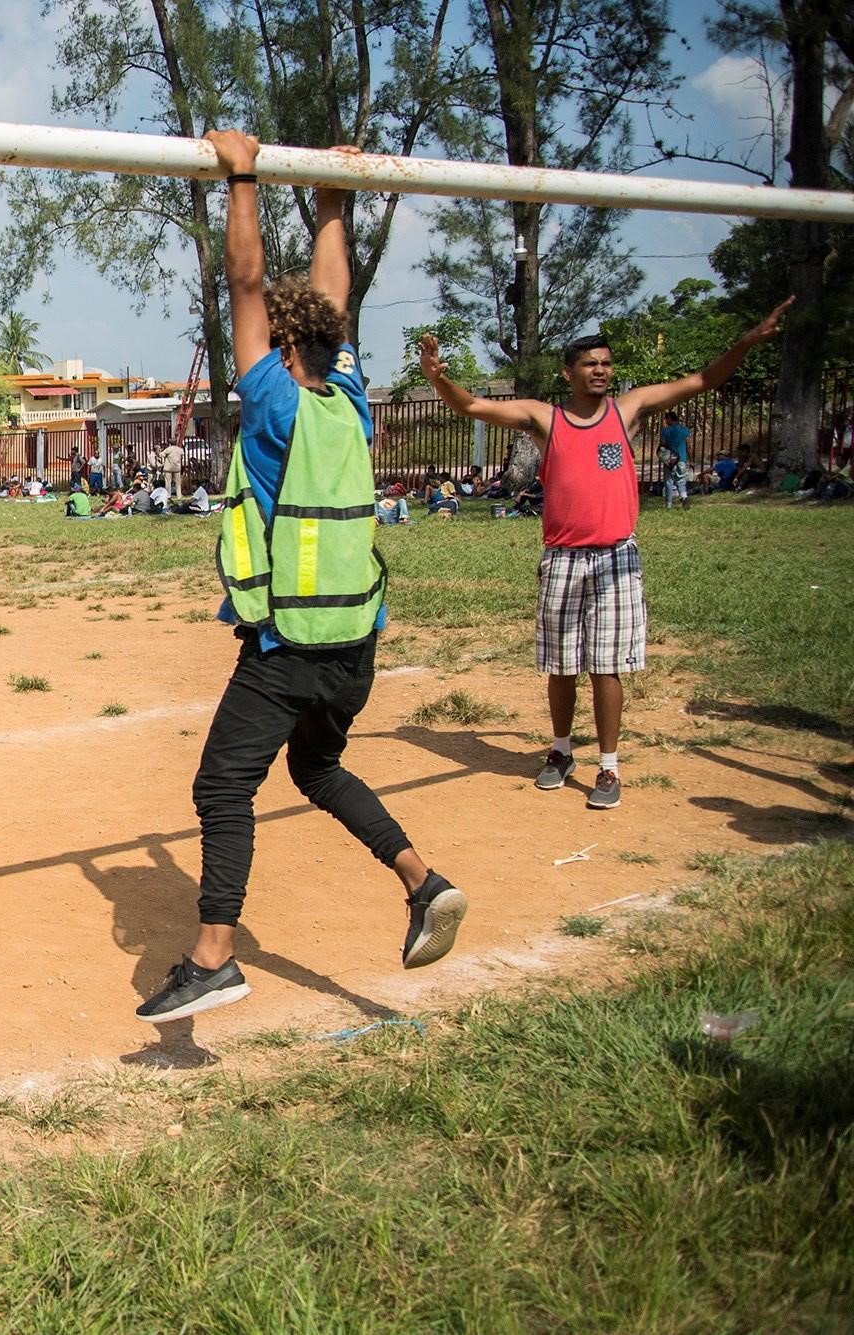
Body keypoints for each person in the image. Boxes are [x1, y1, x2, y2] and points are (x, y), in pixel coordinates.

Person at [137, 130, 466, 1026]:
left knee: (220, 787)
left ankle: (213, 957)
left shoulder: (277, 398)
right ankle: (421, 880)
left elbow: (247, 285)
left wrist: (243, 173)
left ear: (283, 349)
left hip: (289, 647)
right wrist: (330, 197)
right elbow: (332, 297)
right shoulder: (349, 393)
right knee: (317, 767)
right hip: (354, 643)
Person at [421, 295, 791, 810]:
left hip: (616, 556)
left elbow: (704, 380)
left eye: (606, 363)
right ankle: (560, 751)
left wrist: (746, 343)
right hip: (564, 558)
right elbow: (471, 406)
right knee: (561, 664)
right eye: (590, 363)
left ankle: (608, 766)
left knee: (606, 666)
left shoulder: (629, 410)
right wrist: (439, 378)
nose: (601, 370)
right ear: (568, 371)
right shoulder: (544, 418)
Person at [659, 412, 691, 509]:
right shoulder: (685, 430)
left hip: (669, 459)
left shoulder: (665, 431)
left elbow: (663, 445)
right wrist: (691, 459)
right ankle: (684, 496)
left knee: (669, 481)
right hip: (681, 458)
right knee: (681, 479)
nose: (666, 421)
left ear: (669, 418)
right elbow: (688, 446)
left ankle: (668, 504)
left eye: (666, 419)